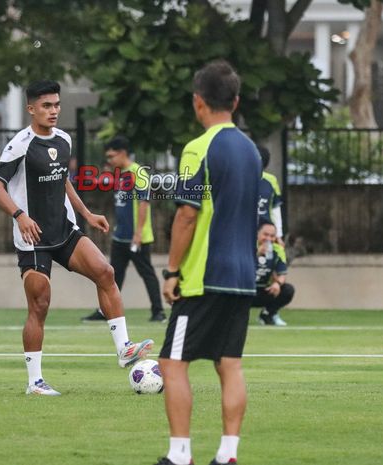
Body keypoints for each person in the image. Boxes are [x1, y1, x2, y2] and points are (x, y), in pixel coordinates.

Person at [0, 80, 153, 396]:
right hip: (33, 237)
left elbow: (63, 180)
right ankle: (35, 382)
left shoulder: (64, 140)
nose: (53, 111)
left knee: (105, 272)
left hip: (64, 230)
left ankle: (123, 348)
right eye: (47, 105)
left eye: (57, 105)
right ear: (31, 108)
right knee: (40, 304)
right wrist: (20, 216)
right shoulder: (20, 144)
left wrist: (87, 214)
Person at [157, 60, 261, 465]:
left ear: (198, 102)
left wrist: (171, 271)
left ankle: (180, 454)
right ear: (234, 101)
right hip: (242, 276)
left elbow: (186, 214)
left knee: (172, 362)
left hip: (203, 277)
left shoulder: (197, 148)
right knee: (230, 364)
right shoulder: (252, 151)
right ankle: (228, 453)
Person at [81, 135, 166, 323]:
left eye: (111, 157)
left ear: (122, 154)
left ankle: (158, 312)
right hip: (120, 236)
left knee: (147, 273)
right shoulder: (119, 174)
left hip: (137, 238)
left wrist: (138, 233)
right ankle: (105, 311)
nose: (109, 161)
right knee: (111, 275)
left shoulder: (138, 172)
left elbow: (144, 203)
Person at [253, 221, 294, 326]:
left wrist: (277, 283)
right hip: (247, 290)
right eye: (265, 235)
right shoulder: (247, 246)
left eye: (272, 236)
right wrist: (257, 254)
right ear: (257, 234)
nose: (268, 239)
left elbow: (282, 274)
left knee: (288, 290)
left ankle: (267, 314)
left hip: (263, 290)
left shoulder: (277, 250)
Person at [256, 145, 284, 243]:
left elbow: (275, 208)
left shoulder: (271, 180)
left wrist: (278, 234)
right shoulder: (239, 179)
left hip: (266, 232)